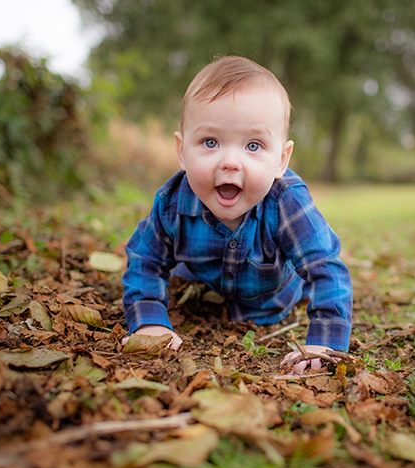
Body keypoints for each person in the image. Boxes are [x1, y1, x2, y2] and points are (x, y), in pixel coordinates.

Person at [121, 55, 352, 374]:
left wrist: (325, 341)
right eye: (210, 142)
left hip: (271, 306)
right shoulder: (173, 202)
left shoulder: (286, 202)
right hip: (205, 295)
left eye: (253, 146)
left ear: (281, 160)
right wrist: (148, 321)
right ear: (181, 151)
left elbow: (325, 267)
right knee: (177, 275)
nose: (230, 161)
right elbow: (145, 259)